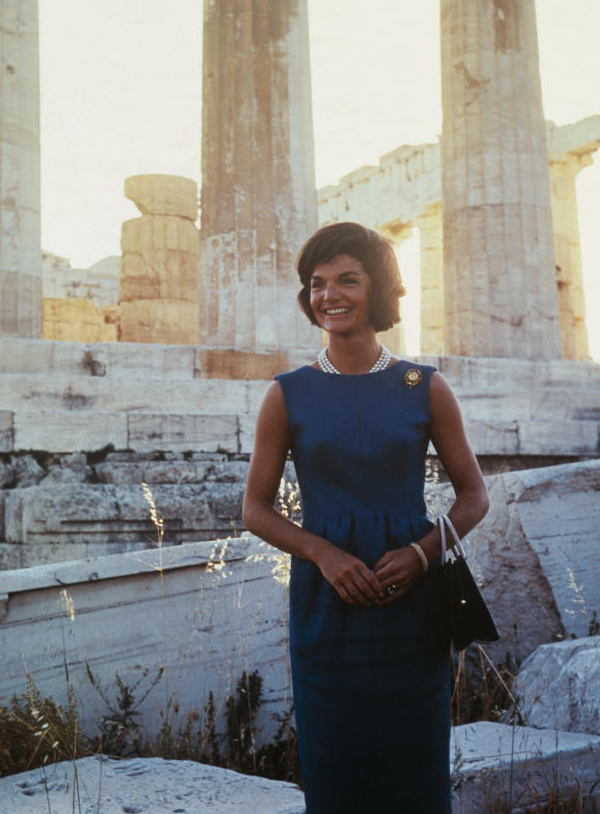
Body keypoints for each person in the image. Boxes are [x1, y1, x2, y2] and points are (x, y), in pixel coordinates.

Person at [242, 221, 489, 813]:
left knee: (416, 774)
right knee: (337, 775)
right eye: (318, 283)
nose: (330, 295)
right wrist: (322, 554)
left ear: (377, 287)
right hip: (327, 605)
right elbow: (254, 509)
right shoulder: (288, 393)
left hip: (412, 604)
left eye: (348, 280)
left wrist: (422, 553)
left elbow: (474, 495)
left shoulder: (423, 386)